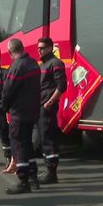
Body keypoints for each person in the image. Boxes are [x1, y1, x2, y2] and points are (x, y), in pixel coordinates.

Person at [2, 38, 41, 194]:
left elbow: (7, 91)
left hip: (18, 112)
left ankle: (23, 180)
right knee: (27, 145)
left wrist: (5, 108)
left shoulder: (17, 66)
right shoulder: (33, 63)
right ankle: (33, 179)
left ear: (11, 51)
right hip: (32, 111)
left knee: (19, 146)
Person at [36, 37, 67, 184]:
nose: (39, 50)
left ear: (50, 48)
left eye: (42, 48)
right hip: (40, 106)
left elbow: (61, 86)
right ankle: (48, 169)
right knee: (43, 138)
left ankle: (51, 173)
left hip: (47, 107)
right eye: (38, 48)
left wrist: (50, 102)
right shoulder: (43, 65)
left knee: (49, 138)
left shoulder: (56, 63)